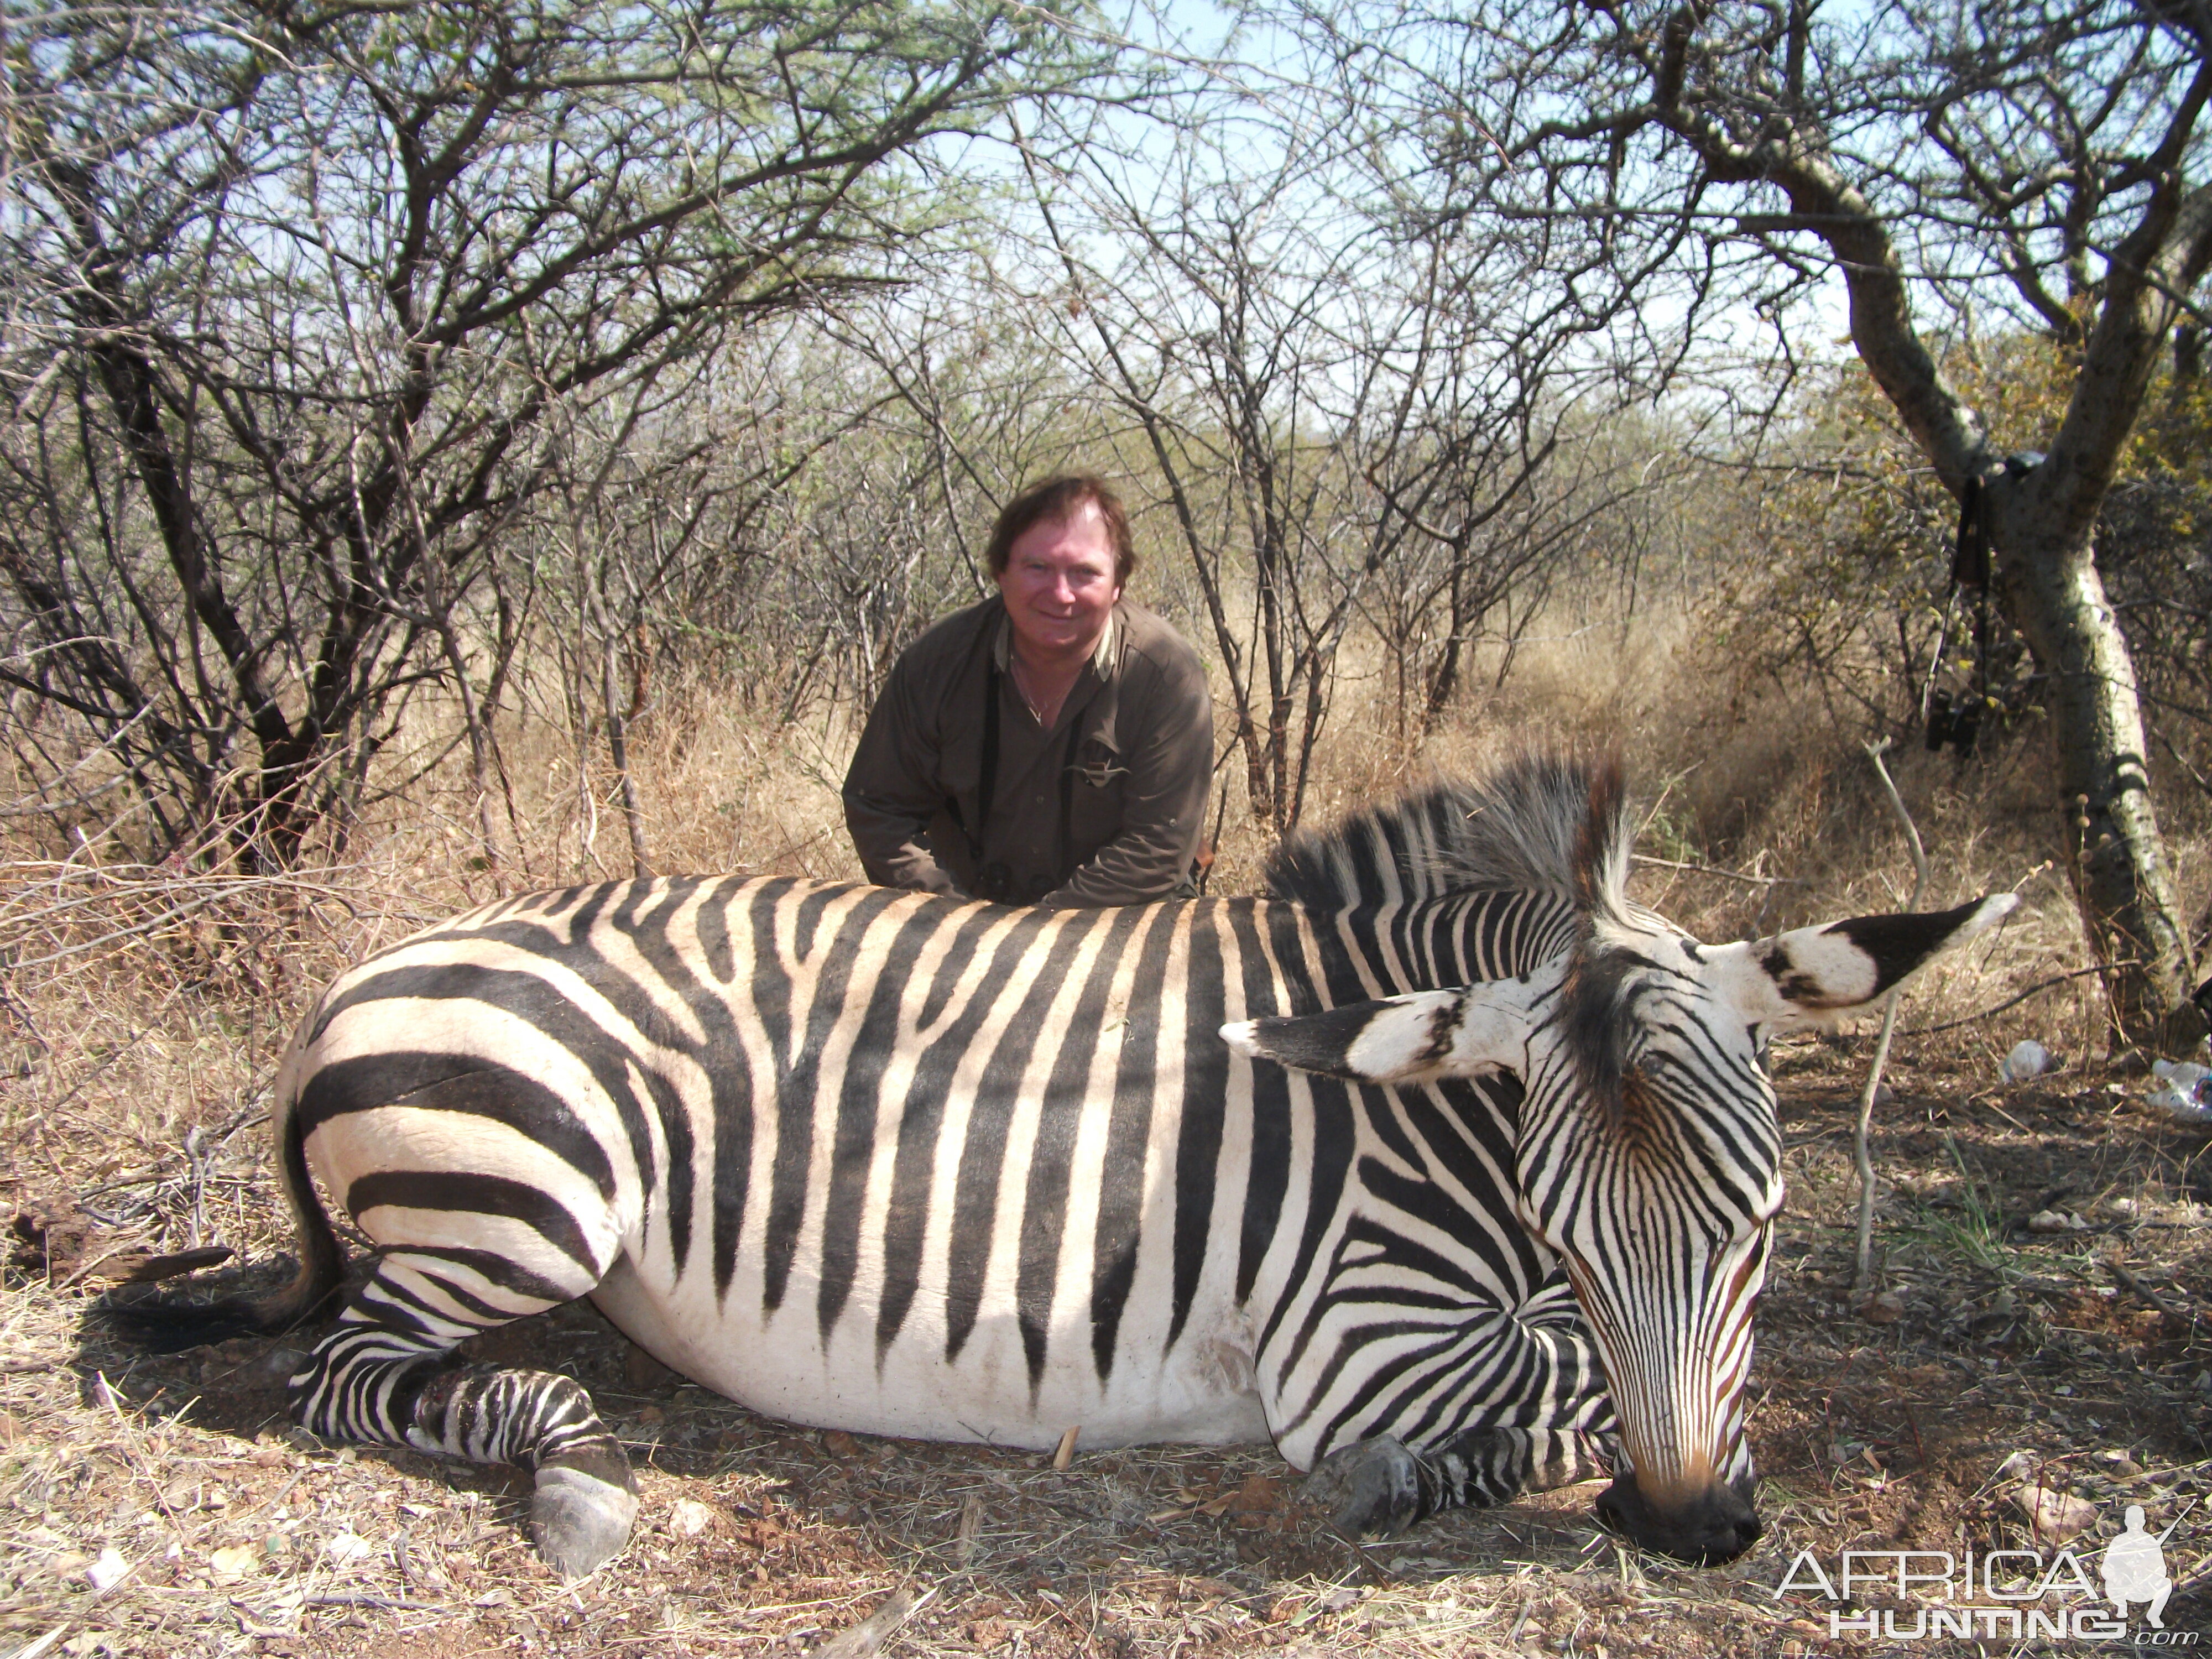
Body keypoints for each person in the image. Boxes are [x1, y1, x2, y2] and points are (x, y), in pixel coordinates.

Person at [843, 474, 1213, 907]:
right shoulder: (937, 663)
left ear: (1118, 585)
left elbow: (1159, 847)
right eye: (1038, 568)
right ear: (1001, 572)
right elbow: (879, 810)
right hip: (960, 918)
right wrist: (948, 911)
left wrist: (1034, 936)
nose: (1060, 594)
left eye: (1085, 573)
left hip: (1117, 919)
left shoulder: (1166, 674)